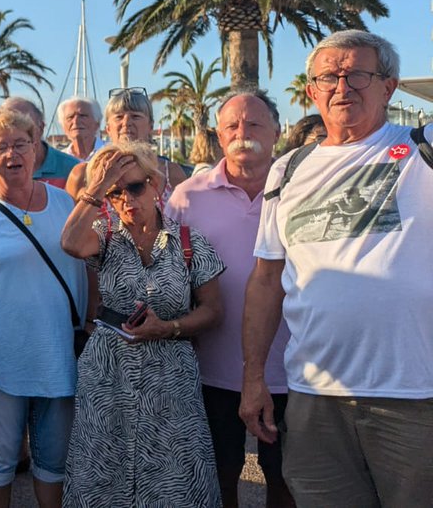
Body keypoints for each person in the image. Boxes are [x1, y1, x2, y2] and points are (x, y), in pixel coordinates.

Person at [241, 30, 433, 506]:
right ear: (311, 90)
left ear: (389, 87)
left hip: (415, 394)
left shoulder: (421, 149)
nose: (342, 87)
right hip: (314, 397)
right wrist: (253, 379)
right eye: (328, 77)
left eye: (358, 74)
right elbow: (266, 282)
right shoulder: (287, 170)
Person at [60, 141, 224, 507]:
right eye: (115, 193)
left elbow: (213, 310)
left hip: (170, 378)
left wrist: (167, 328)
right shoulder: (103, 235)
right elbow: (69, 243)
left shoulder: (189, 241)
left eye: (134, 187)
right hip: (108, 376)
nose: (126, 199)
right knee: (102, 476)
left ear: (154, 184)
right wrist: (96, 188)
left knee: (175, 479)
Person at [0, 108, 86, 508]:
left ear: (36, 148)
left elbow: (91, 269)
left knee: (54, 464)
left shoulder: (65, 204)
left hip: (59, 358)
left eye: (20, 144)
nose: (12, 154)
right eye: (0, 147)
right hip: (2, 363)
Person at [165, 91, 294, 507]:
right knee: (218, 478)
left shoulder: (300, 188)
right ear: (219, 137)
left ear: (277, 130)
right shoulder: (187, 196)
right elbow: (166, 275)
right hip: (211, 371)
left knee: (285, 480)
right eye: (232, 126)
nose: (243, 133)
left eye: (254, 124)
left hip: (291, 369)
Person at [65, 88, 189, 201]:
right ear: (108, 128)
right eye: (119, 117)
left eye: (135, 116)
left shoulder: (170, 173)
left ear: (150, 126)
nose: (126, 122)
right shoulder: (82, 175)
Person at [0, 97, 76, 188]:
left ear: (41, 128)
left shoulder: (71, 168)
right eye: (8, 125)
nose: (15, 132)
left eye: (25, 125)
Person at [57, 97, 105, 161]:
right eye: (70, 117)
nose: (76, 121)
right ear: (63, 127)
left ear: (97, 123)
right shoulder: (58, 160)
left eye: (82, 116)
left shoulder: (113, 153)